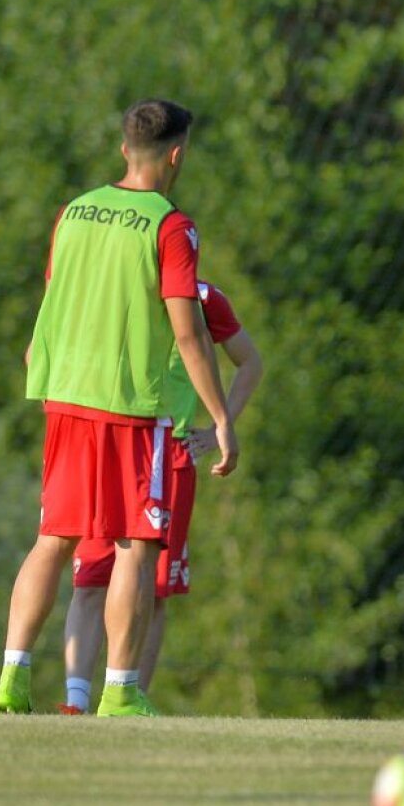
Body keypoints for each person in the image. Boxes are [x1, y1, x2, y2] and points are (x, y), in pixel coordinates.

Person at [0, 99, 239, 717]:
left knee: (53, 537)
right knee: (136, 542)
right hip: (132, 404)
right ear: (177, 154)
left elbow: (53, 301)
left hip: (65, 396)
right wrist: (222, 417)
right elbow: (188, 332)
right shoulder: (170, 226)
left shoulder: (73, 213)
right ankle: (121, 690)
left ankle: (12, 677)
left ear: (124, 148)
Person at [58, 280, 262, 714]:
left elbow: (250, 362)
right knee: (91, 575)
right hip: (110, 445)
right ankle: (75, 700)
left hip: (169, 453)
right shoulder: (114, 294)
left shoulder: (204, 298)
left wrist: (219, 426)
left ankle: (130, 696)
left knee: (154, 585)